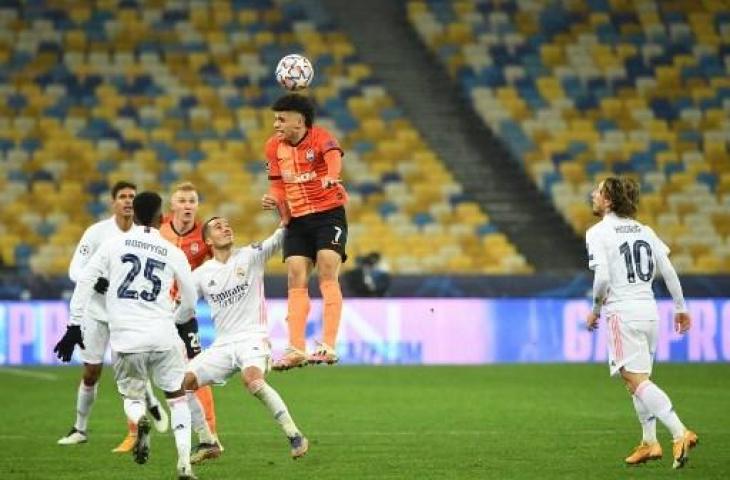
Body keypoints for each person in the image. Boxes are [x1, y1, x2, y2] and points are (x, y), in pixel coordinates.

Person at [65, 191, 199, 480]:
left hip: (126, 338)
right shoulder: (172, 251)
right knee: (177, 398)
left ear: (134, 216)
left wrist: (74, 325)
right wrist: (176, 319)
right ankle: (185, 464)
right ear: (162, 218)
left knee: (132, 395)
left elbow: (86, 279)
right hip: (163, 335)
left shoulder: (113, 244)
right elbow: (190, 299)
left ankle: (140, 420)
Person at [585, 176, 698, 469]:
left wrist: (596, 309)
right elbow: (669, 271)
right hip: (650, 312)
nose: (593, 195)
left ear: (608, 200)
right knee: (637, 382)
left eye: (597, 192)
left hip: (622, 313)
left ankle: (679, 432)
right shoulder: (645, 230)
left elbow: (603, 279)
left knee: (635, 380)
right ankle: (650, 442)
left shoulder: (598, 233)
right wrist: (681, 308)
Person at [184, 216, 308, 464]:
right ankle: (208, 442)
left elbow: (278, 237)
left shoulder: (251, 255)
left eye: (227, 224)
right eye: (218, 227)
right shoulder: (200, 274)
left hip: (253, 338)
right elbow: (184, 308)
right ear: (208, 240)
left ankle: (294, 435)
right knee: (183, 382)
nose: (226, 227)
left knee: (251, 379)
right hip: (223, 345)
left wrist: (287, 213)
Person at [54, 181, 169, 451]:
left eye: (132, 196)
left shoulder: (147, 235)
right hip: (96, 313)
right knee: (92, 372)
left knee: (132, 369)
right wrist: (94, 282)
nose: (128, 201)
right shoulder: (97, 233)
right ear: (113, 202)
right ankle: (80, 429)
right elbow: (75, 270)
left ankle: (147, 408)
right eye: (122, 197)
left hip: (126, 315)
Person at [261, 93, 348, 370]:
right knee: (295, 273)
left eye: (281, 119)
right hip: (298, 219)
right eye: (275, 119)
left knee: (326, 267)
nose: (276, 124)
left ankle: (328, 346)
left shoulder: (321, 137)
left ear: (299, 121)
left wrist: (332, 177)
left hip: (328, 214)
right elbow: (276, 184)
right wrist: (273, 199)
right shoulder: (273, 147)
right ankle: (296, 348)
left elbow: (333, 156)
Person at [159, 181, 221, 451]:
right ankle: (135, 431)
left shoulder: (204, 236)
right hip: (157, 312)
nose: (187, 206)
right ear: (172, 206)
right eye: (182, 201)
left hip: (185, 315)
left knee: (196, 371)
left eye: (192, 201)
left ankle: (210, 433)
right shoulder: (155, 229)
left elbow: (220, 265)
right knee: (156, 372)